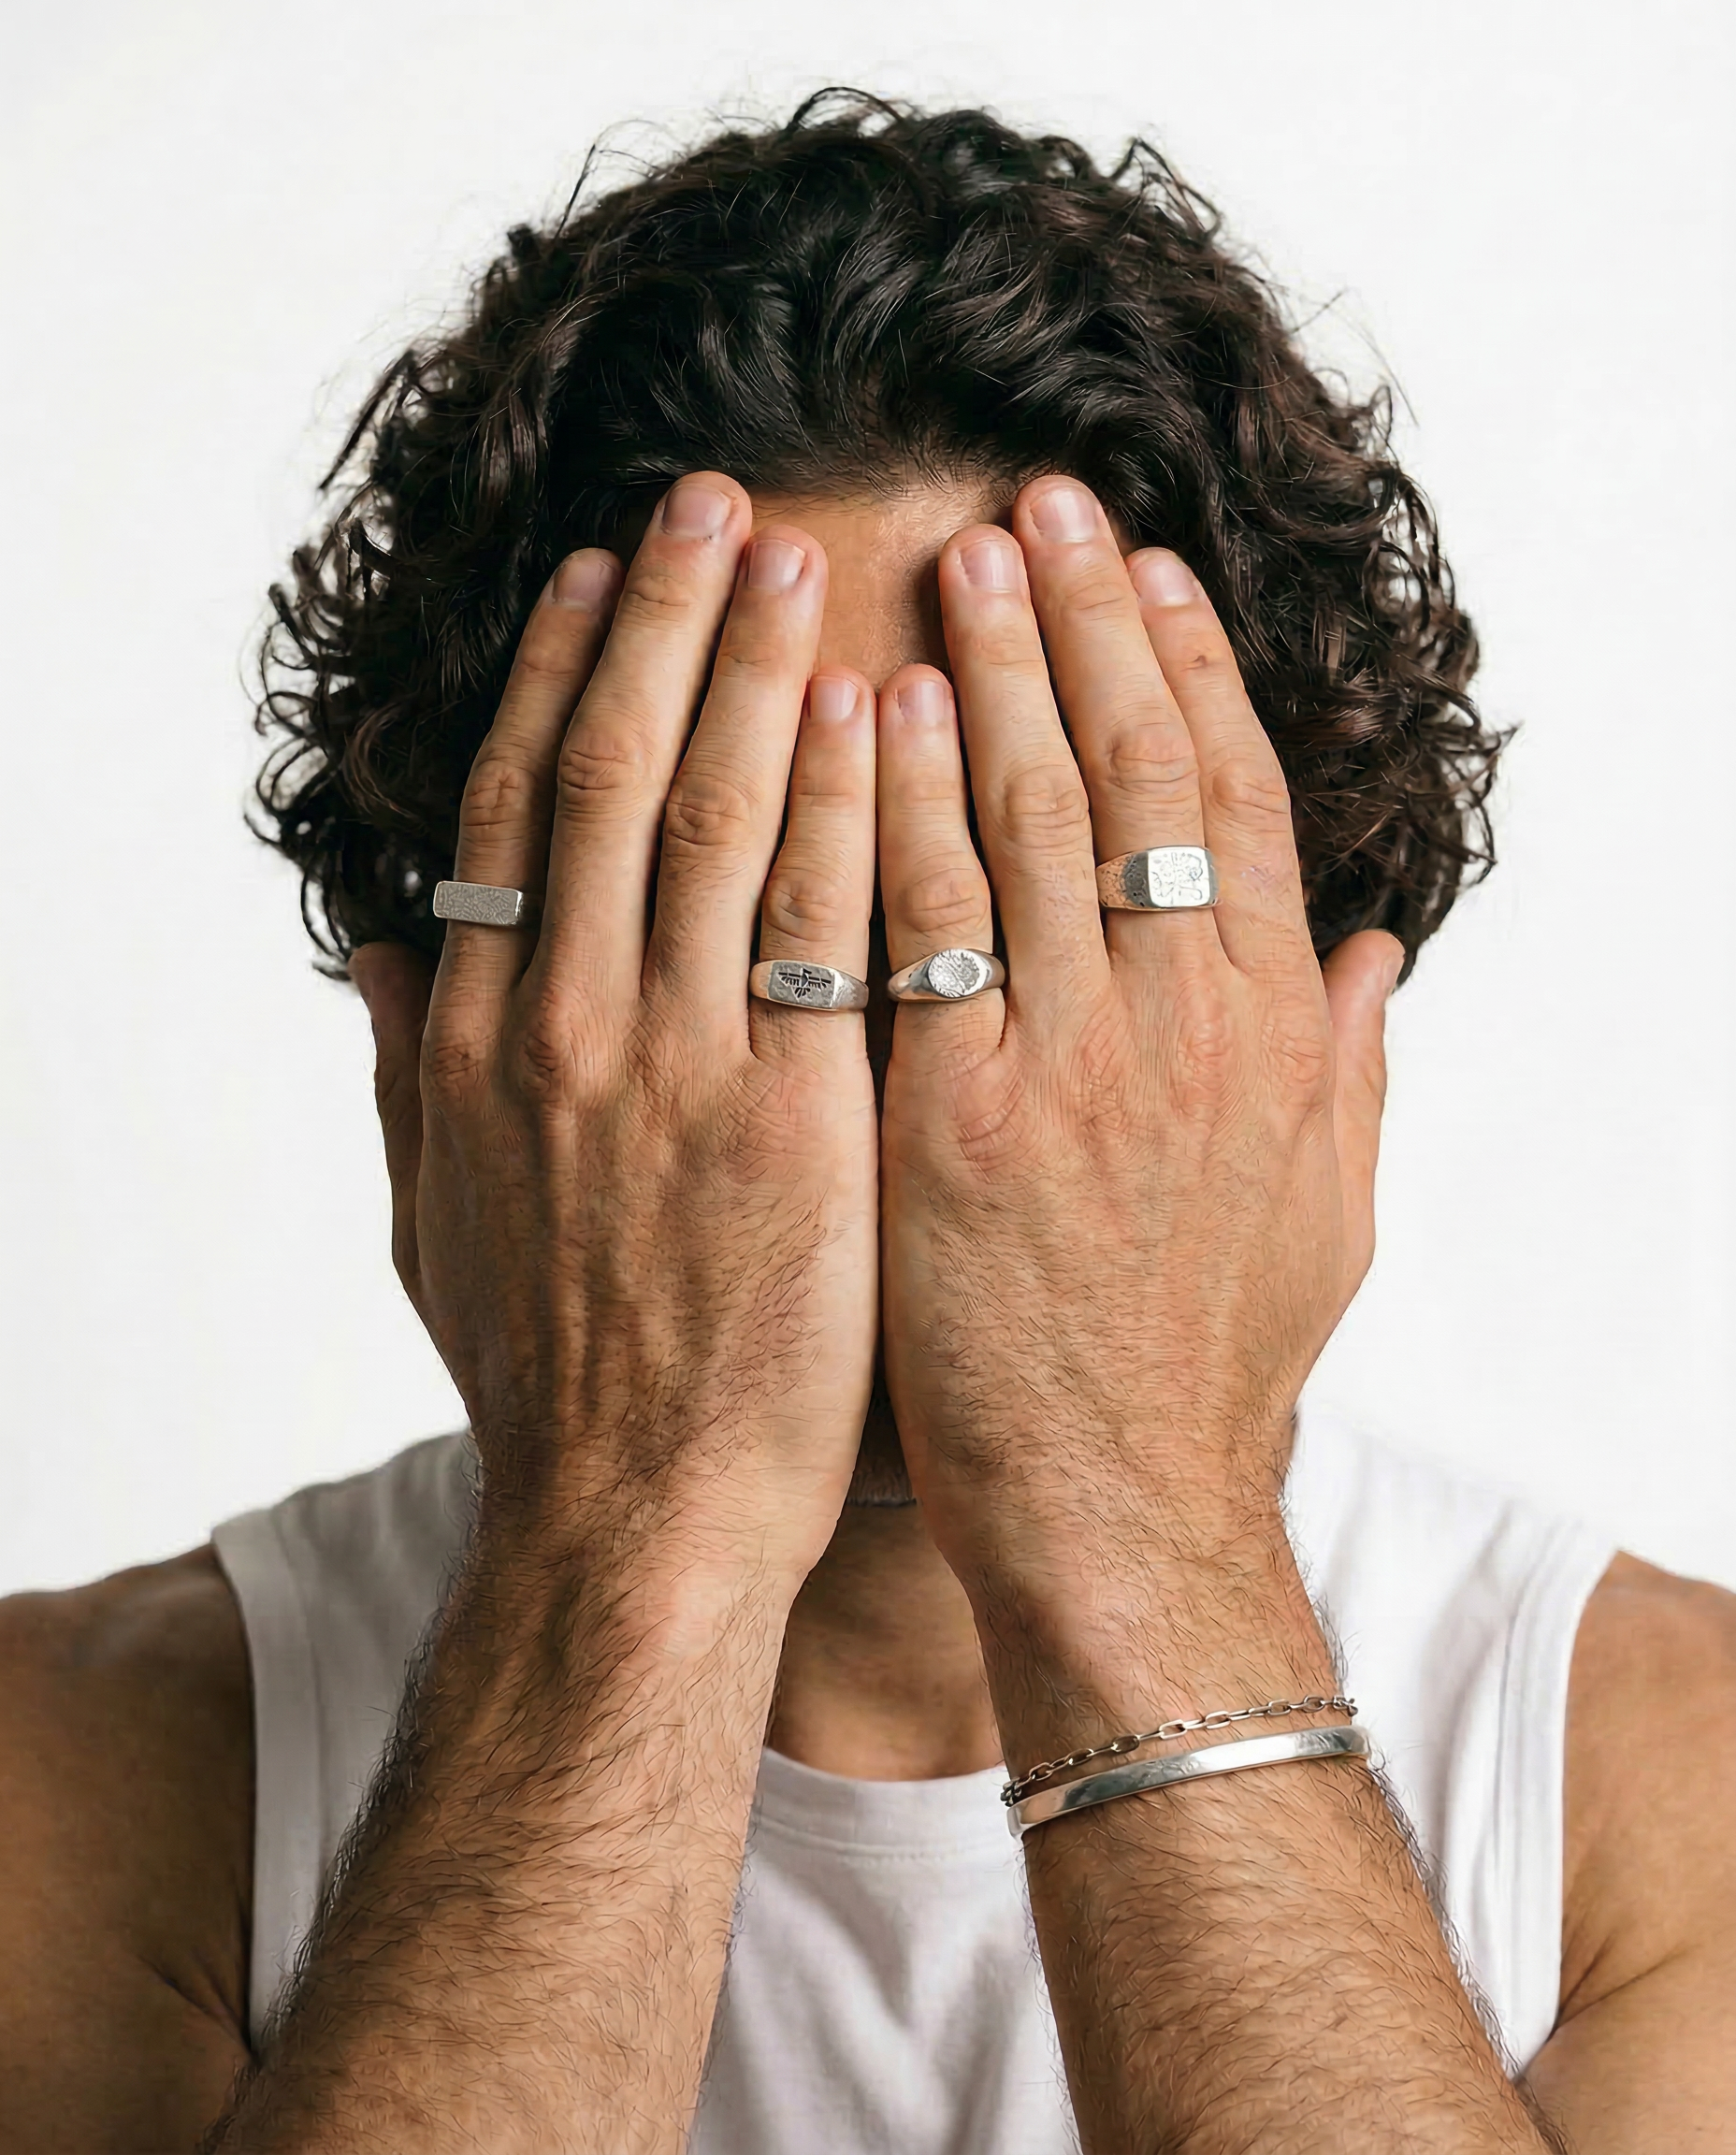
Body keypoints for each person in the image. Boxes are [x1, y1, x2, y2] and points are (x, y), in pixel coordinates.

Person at [3, 92, 1732, 2155]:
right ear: (430, 1070)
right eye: (734, 926)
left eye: (1043, 912)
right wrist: (640, 1519)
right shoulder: (63, 1783)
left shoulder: (1676, 1794)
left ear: (1323, 1061)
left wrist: (1125, 1519)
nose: (920, 1101)